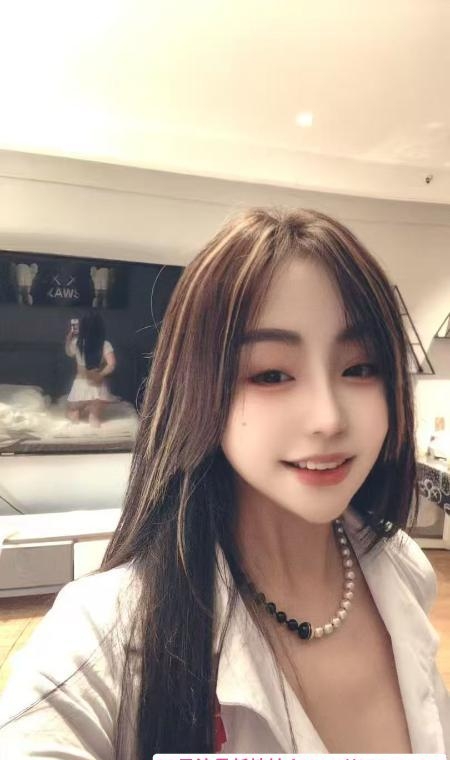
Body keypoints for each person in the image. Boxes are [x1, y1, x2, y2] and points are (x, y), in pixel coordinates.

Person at [0, 208, 449, 758]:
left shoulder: (400, 564)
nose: (328, 419)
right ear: (198, 389)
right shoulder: (105, 633)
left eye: (359, 368)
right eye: (271, 374)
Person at [65, 311, 117, 427]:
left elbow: (69, 353)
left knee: (72, 410)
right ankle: (93, 416)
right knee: (95, 414)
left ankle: (76, 414)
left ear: (82, 327)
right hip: (97, 388)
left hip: (79, 386)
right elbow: (111, 364)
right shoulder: (105, 344)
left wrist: (69, 338)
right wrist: (100, 375)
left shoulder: (76, 343)